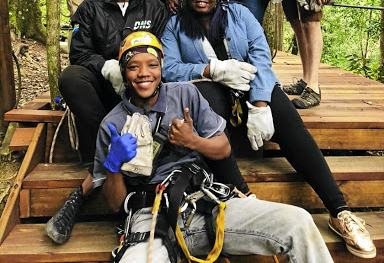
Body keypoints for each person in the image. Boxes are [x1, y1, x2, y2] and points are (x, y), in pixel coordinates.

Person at [160, 0, 376, 260]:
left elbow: (260, 55)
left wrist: (261, 104)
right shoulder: (175, 24)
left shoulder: (239, 14)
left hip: (251, 84)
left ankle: (340, 211)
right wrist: (212, 69)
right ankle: (242, 195)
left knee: (288, 121)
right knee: (202, 102)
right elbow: (168, 68)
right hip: (212, 91)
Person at [93, 30, 334, 263]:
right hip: (151, 218)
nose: (144, 73)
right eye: (134, 66)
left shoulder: (185, 95)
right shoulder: (112, 124)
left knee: (298, 222)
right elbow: (115, 204)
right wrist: (113, 165)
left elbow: (223, 149)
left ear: (161, 66)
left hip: (204, 203)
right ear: (123, 71)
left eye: (152, 65)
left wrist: (193, 141)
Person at [45, 0, 169, 245]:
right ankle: (108, 149)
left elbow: (166, 54)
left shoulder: (154, 8)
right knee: (71, 78)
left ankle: (91, 184)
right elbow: (80, 54)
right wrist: (108, 66)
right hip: (107, 89)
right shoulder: (91, 7)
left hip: (144, 89)